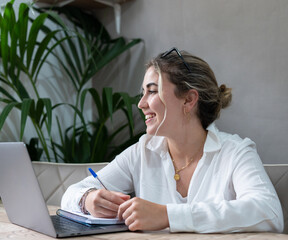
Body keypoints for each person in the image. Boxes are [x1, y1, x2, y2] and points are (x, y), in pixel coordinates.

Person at [61, 48, 284, 233]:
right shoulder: (142, 151)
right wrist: (88, 199)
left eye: (152, 92)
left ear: (188, 100)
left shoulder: (236, 152)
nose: (141, 104)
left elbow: (269, 212)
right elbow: (72, 193)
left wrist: (168, 215)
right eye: (143, 93)